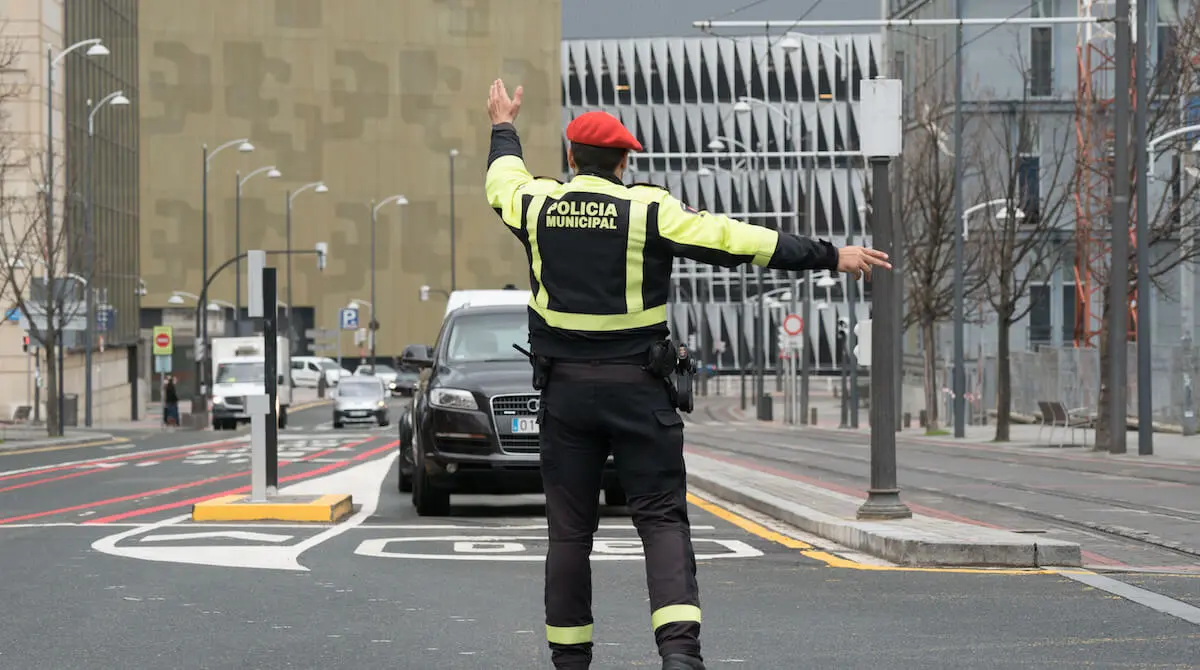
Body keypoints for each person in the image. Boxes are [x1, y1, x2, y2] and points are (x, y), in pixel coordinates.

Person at [484, 79, 890, 670]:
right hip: (638, 393)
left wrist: (504, 125)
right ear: (624, 162)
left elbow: (503, 179)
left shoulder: (538, 203)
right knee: (661, 519)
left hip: (566, 394)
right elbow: (736, 240)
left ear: (571, 159)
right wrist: (831, 254)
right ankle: (679, 657)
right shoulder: (649, 208)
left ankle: (570, 662)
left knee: (570, 533)